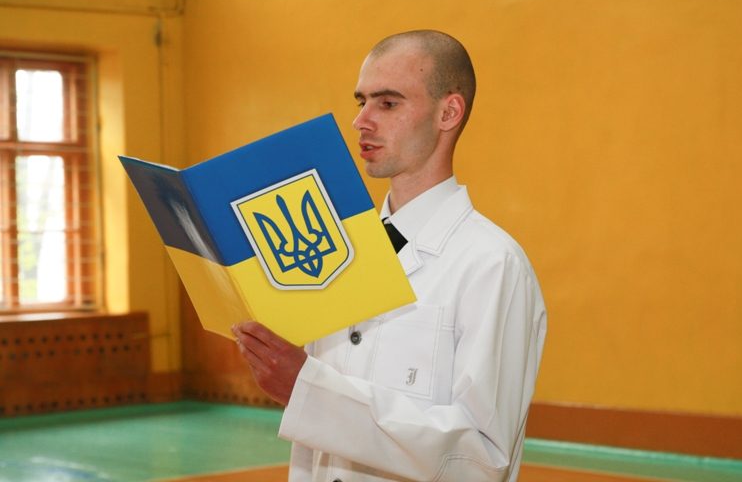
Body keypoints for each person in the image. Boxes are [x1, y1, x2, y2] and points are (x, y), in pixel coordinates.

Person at [232, 30, 547, 482]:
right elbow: (312, 453)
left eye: (388, 103)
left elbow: (479, 459)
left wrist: (310, 392)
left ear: (448, 113)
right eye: (361, 101)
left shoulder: (492, 265)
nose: (361, 121)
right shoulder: (337, 253)